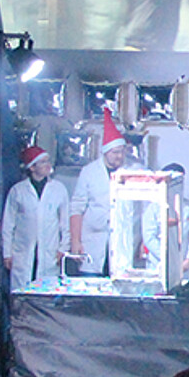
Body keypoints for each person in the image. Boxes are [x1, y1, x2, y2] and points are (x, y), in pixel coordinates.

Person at [68, 108, 137, 275]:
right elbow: (77, 208)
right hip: (93, 239)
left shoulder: (134, 170)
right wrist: (75, 241)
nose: (119, 156)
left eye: (122, 152)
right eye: (115, 152)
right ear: (105, 152)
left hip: (123, 240)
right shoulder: (89, 172)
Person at [2, 145, 70, 291]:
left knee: (47, 293)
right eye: (43, 162)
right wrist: (7, 253)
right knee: (22, 293)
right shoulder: (18, 191)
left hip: (49, 254)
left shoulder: (59, 189)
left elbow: (65, 223)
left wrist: (63, 248)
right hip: (23, 254)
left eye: (48, 161)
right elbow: (8, 224)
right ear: (32, 167)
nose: (48, 165)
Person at [142, 161, 189, 281]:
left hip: (187, 269)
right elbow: (149, 237)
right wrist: (168, 258)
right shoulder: (153, 209)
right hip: (159, 264)